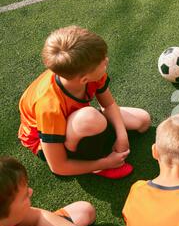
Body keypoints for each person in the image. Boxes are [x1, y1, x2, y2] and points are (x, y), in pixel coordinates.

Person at [18, 26, 151, 179]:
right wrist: (105, 163)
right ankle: (94, 164)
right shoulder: (48, 106)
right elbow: (58, 166)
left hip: (76, 118)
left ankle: (93, 128)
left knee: (143, 121)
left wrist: (122, 136)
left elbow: (108, 104)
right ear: (84, 80)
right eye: (103, 62)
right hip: (46, 140)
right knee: (89, 117)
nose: (106, 61)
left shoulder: (88, 73)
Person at [0, 156, 124, 226]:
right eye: (24, 196)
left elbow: (37, 218)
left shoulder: (5, 218)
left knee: (84, 211)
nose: (31, 191)